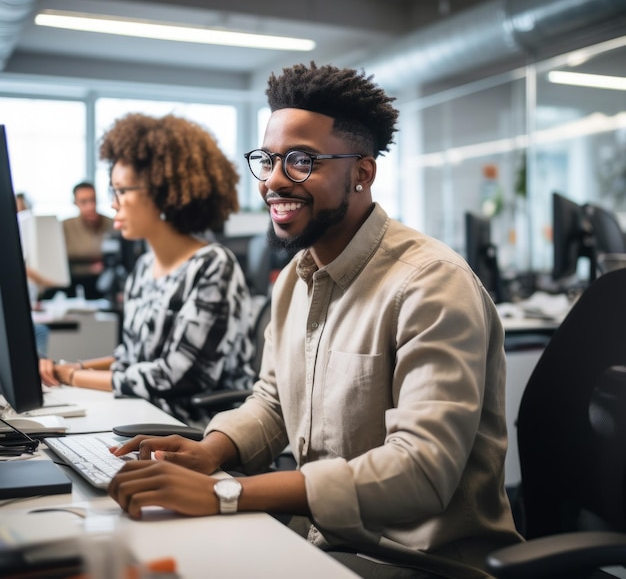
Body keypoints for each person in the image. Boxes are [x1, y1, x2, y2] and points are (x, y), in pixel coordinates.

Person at [108, 64, 523, 578]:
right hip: (325, 543)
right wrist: (207, 452)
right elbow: (273, 401)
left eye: (302, 160)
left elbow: (421, 470)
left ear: (362, 173)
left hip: (422, 562)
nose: (275, 181)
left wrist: (228, 492)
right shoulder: (295, 281)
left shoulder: (431, 284)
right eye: (268, 160)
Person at [40, 113, 256, 426]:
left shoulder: (213, 267)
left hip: (197, 432)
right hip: (142, 416)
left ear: (164, 192)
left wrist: (72, 375)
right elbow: (130, 358)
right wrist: (67, 368)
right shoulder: (143, 268)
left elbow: (174, 376)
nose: (113, 204)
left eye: (122, 190)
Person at [62, 181, 114, 299]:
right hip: (74, 284)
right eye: (84, 202)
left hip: (105, 284)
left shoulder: (111, 224)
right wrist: (88, 268)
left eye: (93, 200)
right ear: (75, 203)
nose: (90, 206)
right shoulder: (66, 226)